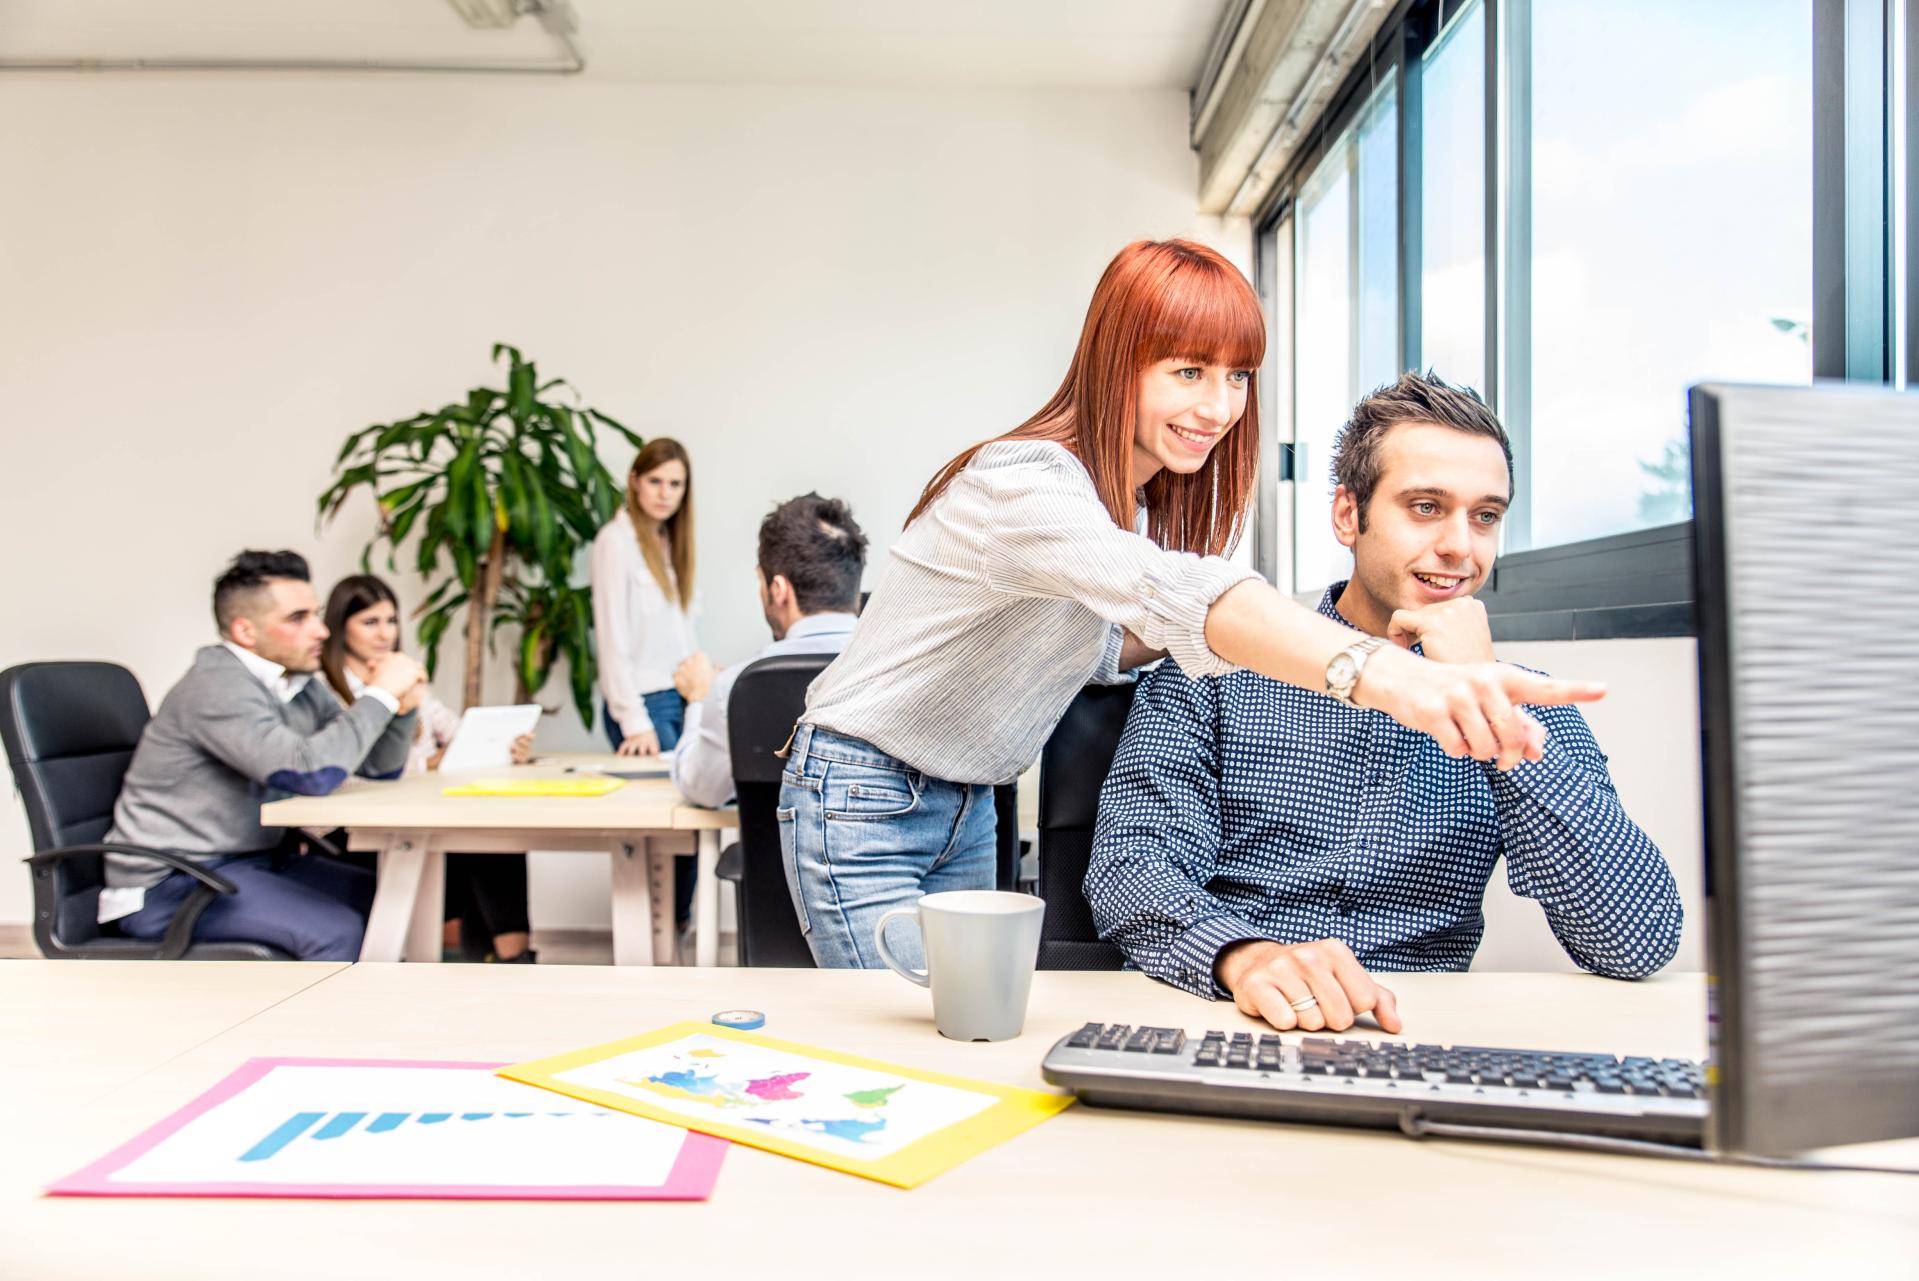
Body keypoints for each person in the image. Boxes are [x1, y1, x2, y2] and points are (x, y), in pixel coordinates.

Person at [784, 239, 1604, 972]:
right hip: (867, 790)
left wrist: (1260, 641)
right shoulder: (1024, 482)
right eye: (1187, 371)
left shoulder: (1121, 507)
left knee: (957, 1024)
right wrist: (1379, 669)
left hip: (970, 798)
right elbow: (1172, 593)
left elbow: (1102, 643)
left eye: (1236, 376)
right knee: (898, 1041)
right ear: (1116, 365)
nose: (1217, 408)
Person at [1085, 372, 1685, 1034]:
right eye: (1425, 506)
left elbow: (1635, 941)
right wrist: (1244, 957)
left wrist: (1484, 697)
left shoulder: (1523, 703)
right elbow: (1129, 868)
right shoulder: (1214, 668)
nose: (1460, 545)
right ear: (1348, 514)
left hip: (1409, 1030)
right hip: (1223, 1009)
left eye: (1484, 515)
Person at [101, 550, 425, 961]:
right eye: (298, 618)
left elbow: (379, 767)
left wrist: (402, 705)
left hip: (250, 862)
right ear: (245, 631)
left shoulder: (297, 684)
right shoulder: (217, 686)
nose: (322, 631)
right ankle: (323, 1027)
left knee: (392, 900)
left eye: (317, 614)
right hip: (173, 880)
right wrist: (378, 694)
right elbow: (310, 773)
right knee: (335, 931)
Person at [319, 574, 537, 963]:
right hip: (352, 828)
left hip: (418, 812)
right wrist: (431, 761)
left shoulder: (406, 674)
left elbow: (458, 731)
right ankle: (493, 961)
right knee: (478, 846)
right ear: (340, 626)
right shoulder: (327, 688)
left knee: (496, 835)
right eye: (370, 622)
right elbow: (349, 767)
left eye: (391, 620)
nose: (384, 633)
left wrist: (502, 746)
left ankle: (511, 961)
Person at [672, 493, 865, 808]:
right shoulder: (900, 672)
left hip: (774, 858)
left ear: (778, 590)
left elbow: (702, 790)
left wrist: (698, 700)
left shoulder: (735, 689)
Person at [592, 438, 704, 758]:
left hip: (682, 698)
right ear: (634, 481)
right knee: (665, 802)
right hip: (645, 704)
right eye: (654, 481)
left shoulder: (673, 545)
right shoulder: (615, 542)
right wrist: (634, 721)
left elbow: (682, 633)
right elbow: (612, 640)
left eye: (675, 484)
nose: (664, 493)